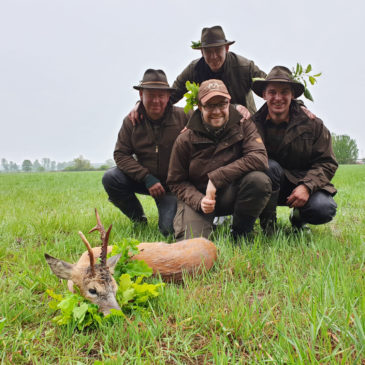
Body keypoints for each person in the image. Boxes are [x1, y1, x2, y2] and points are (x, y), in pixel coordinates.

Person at [167, 79, 272, 241]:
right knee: (194, 250)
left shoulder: (244, 125)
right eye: (209, 105)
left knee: (259, 180)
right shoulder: (185, 139)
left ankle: (240, 234)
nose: (217, 111)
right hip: (200, 199)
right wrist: (199, 200)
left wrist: (216, 179)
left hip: (231, 193)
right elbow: (176, 181)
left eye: (222, 104)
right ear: (200, 107)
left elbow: (259, 158)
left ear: (229, 102)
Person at [102, 69, 190, 236]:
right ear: (141, 95)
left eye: (161, 96)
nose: (156, 101)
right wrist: (146, 177)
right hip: (145, 180)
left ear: (168, 96)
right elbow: (121, 154)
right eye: (151, 95)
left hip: (172, 187)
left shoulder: (184, 117)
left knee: (168, 231)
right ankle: (138, 219)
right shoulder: (131, 122)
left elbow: (210, 119)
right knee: (111, 178)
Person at [250, 66, 338, 232]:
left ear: (293, 95)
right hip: (268, 186)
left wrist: (307, 186)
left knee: (323, 208)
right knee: (268, 167)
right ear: (264, 95)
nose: (278, 98)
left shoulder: (313, 124)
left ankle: (298, 218)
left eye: (284, 92)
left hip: (303, 185)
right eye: (272, 92)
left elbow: (327, 162)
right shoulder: (252, 126)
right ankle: (268, 226)